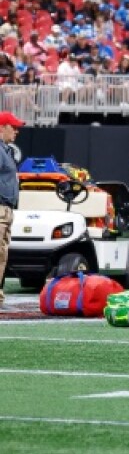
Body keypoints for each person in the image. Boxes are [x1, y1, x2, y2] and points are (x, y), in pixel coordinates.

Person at [0, 111, 23, 309]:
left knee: (2, 255)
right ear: (1, 127)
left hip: (6, 209)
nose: (16, 131)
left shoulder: (5, 150)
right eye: (12, 127)